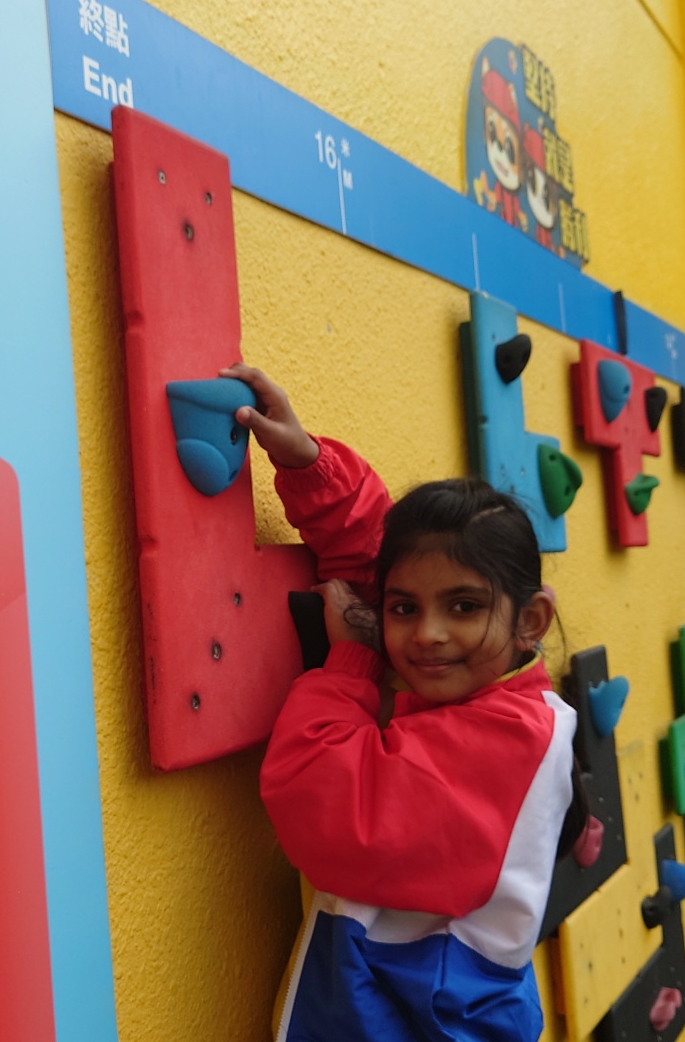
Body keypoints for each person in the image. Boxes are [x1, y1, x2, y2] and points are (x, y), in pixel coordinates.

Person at [234, 364, 576, 1042]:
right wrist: (307, 463)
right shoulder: (498, 696)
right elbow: (381, 558)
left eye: (464, 607)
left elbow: (323, 804)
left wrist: (352, 662)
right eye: (403, 609)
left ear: (531, 620)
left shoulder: (512, 734)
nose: (427, 634)